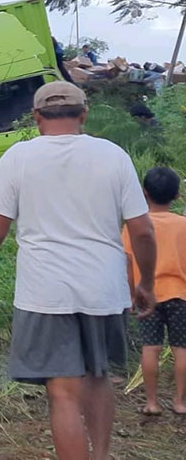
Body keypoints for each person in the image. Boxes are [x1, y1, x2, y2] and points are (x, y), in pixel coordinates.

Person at [0, 80, 157, 460]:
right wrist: (146, 283)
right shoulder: (113, 156)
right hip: (105, 288)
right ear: (83, 114)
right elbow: (143, 231)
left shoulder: (19, 156)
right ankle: (101, 455)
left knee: (63, 391)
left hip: (46, 292)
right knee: (99, 377)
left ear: (37, 117)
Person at [123, 166, 186, 416]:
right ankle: (180, 402)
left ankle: (152, 402)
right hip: (180, 294)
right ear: (177, 195)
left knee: (151, 347)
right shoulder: (183, 225)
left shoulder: (134, 227)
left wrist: (129, 295)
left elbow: (128, 265)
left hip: (145, 295)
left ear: (144, 193)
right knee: (182, 347)